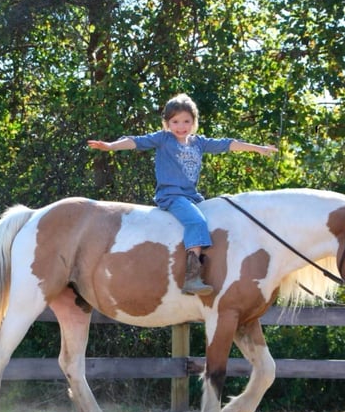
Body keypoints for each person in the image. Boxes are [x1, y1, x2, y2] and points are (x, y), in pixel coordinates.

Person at [88, 93, 277, 296]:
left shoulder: (198, 143)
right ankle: (192, 278)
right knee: (196, 221)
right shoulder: (164, 139)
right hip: (171, 196)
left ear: (193, 122)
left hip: (192, 197)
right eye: (175, 121)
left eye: (186, 121)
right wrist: (111, 146)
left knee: (217, 222)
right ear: (167, 123)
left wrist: (259, 149)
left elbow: (228, 144)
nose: (181, 126)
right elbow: (136, 141)